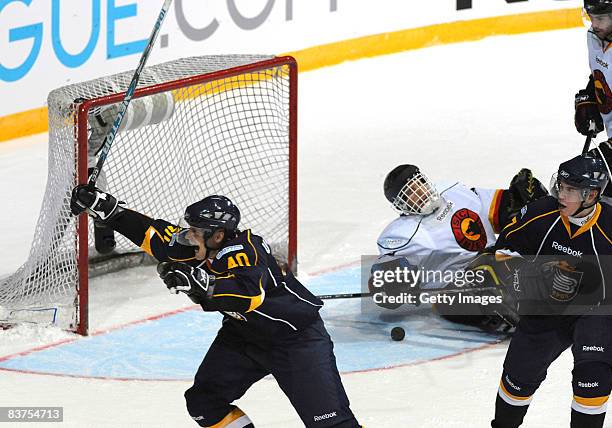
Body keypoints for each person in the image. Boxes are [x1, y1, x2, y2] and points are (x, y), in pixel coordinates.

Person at [70, 189, 361, 428]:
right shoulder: (200, 246)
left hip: (295, 341)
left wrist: (202, 282)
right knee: (204, 403)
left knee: (332, 425)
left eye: (195, 231)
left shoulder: (244, 250)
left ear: (218, 235)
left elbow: (249, 296)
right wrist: (106, 209)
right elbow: (156, 235)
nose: (188, 236)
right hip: (244, 337)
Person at [486, 154, 612, 428]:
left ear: (591, 195)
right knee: (518, 376)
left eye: (570, 190)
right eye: (561, 187)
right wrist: (529, 278)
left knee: (593, 379)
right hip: (547, 306)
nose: (561, 195)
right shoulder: (539, 214)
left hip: (597, 312)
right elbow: (502, 252)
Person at [371, 164, 548, 332]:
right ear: (401, 205)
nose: (419, 192)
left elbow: (502, 209)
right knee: (485, 279)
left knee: (533, 231)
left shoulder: (453, 192)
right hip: (454, 291)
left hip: (497, 259)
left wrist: (525, 203)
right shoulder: (400, 235)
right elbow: (386, 275)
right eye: (409, 194)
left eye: (419, 184)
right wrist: (388, 283)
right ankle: (521, 322)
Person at [573, 0, 612, 204]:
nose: (595, 24)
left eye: (601, 18)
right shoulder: (595, 36)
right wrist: (590, 97)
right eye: (592, 17)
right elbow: (601, 73)